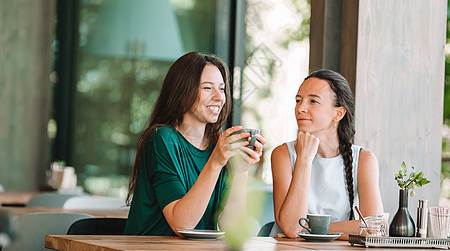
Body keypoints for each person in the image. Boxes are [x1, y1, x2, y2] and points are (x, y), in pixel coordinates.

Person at [124, 51, 265, 236]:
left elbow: (231, 226)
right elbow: (182, 224)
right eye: (207, 88)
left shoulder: (217, 144)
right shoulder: (162, 139)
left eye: (222, 89)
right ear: (182, 92)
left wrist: (241, 170)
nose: (218, 97)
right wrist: (215, 162)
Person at [270, 69, 383, 239]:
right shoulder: (283, 154)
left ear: (338, 113)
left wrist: (311, 230)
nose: (301, 108)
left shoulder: (364, 160)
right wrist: (304, 160)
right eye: (298, 100)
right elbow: (292, 227)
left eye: (313, 101)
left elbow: (375, 228)